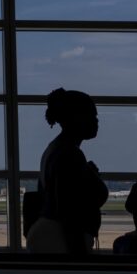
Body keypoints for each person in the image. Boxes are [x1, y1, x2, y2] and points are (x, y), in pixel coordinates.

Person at [26, 88, 109, 254]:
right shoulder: (70, 154)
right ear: (75, 118)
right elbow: (68, 211)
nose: (96, 122)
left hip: (51, 235)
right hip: (60, 239)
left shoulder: (57, 149)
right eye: (92, 116)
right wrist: (78, 254)